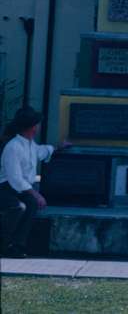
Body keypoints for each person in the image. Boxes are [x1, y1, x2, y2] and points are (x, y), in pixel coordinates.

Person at [0, 106, 68, 257]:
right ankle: (4, 244)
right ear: (31, 127)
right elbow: (15, 178)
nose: (38, 127)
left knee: (31, 204)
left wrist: (58, 148)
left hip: (20, 189)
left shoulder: (30, 144)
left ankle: (18, 245)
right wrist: (36, 194)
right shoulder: (13, 147)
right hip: (5, 188)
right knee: (18, 207)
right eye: (36, 124)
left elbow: (41, 151)